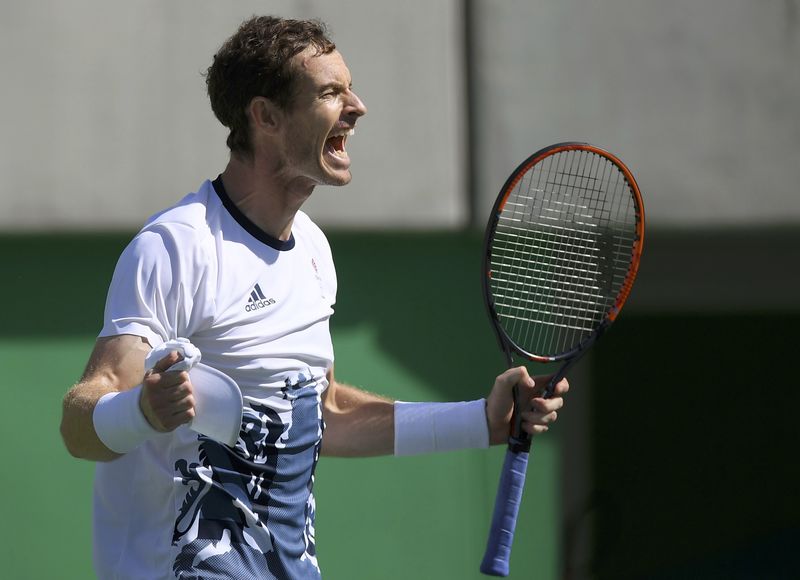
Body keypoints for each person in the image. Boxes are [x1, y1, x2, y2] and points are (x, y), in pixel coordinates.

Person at [59, 15, 568, 580]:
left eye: (349, 87)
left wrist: (482, 422)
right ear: (267, 116)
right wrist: (142, 409)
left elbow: (320, 413)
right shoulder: (176, 246)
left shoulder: (314, 252)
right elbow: (78, 423)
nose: (357, 106)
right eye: (330, 92)